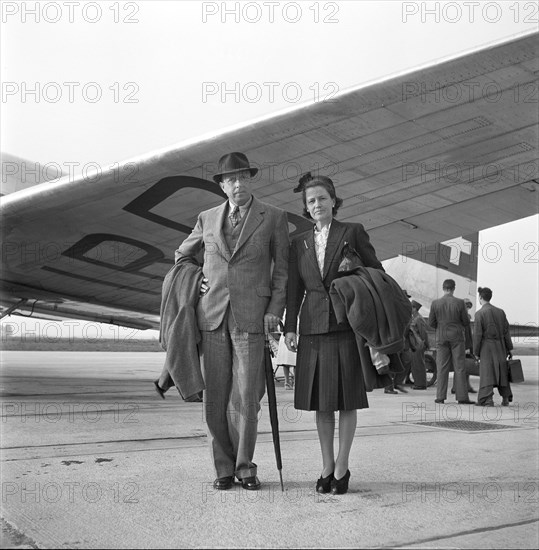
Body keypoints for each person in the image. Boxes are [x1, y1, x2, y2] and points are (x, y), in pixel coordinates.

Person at [174, 152, 289, 491]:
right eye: (231, 179)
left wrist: (274, 309)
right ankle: (223, 468)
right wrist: (197, 279)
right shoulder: (206, 218)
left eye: (244, 177)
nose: (238, 184)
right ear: (222, 185)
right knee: (216, 398)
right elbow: (182, 255)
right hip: (211, 316)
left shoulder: (274, 217)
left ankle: (245, 467)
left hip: (252, 317)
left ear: (250, 180)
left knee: (247, 398)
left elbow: (282, 271)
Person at [284, 173, 384, 495]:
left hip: (345, 326)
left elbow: (376, 273)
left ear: (333, 200)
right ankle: (326, 465)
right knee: (321, 403)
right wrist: (289, 327)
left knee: (347, 401)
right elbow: (294, 288)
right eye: (311, 201)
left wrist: (352, 282)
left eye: (322, 199)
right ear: (306, 207)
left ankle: (342, 466)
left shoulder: (352, 233)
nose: (317, 205)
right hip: (312, 328)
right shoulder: (297, 243)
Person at [428, 279, 474, 405]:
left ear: (443, 288)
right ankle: (462, 397)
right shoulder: (459, 303)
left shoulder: (435, 303)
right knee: (459, 367)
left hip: (441, 338)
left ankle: (440, 397)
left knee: (442, 367)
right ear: (454, 288)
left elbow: (431, 323)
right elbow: (465, 322)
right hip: (457, 338)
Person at [473, 287, 514, 407]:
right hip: (500, 346)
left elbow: (478, 335)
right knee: (502, 372)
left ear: (480, 297)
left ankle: (488, 400)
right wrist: (509, 348)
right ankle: (505, 398)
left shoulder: (479, 313)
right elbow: (506, 332)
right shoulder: (500, 312)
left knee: (487, 373)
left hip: (487, 347)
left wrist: (476, 351)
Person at [451, 298, 476, 394]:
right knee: (460, 367)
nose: (467, 308)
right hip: (463, 346)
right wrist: (466, 347)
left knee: (466, 368)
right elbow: (463, 333)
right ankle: (455, 387)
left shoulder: (466, 316)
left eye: (469, 306)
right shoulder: (460, 317)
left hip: (467, 345)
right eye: (466, 306)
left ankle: (467, 385)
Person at [410, 300, 430, 390]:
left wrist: (425, 344)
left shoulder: (419, 319)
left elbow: (423, 333)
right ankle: (418, 383)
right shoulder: (414, 318)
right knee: (415, 364)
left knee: (419, 364)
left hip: (418, 344)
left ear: (415, 308)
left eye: (411, 307)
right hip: (414, 344)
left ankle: (421, 384)